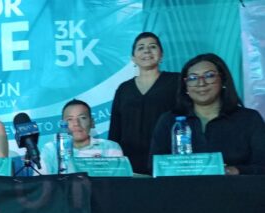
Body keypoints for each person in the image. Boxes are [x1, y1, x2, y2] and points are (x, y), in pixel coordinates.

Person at [150, 53, 265, 175]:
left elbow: (262, 166)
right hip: (183, 191)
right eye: (193, 78)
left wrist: (233, 171)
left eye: (209, 76)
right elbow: (155, 167)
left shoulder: (249, 119)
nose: (201, 83)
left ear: (223, 81)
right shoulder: (169, 121)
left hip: (236, 191)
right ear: (186, 87)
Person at [109, 32, 180, 174]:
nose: (146, 50)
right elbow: (115, 130)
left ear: (162, 55)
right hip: (130, 163)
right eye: (140, 47)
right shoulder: (124, 89)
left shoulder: (176, 81)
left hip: (166, 161)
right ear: (133, 58)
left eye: (152, 46)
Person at [40, 99, 123, 174]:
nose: (76, 123)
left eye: (82, 118)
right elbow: (40, 183)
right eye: (69, 119)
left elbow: (118, 184)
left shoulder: (111, 147)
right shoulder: (51, 149)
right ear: (62, 125)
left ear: (92, 122)